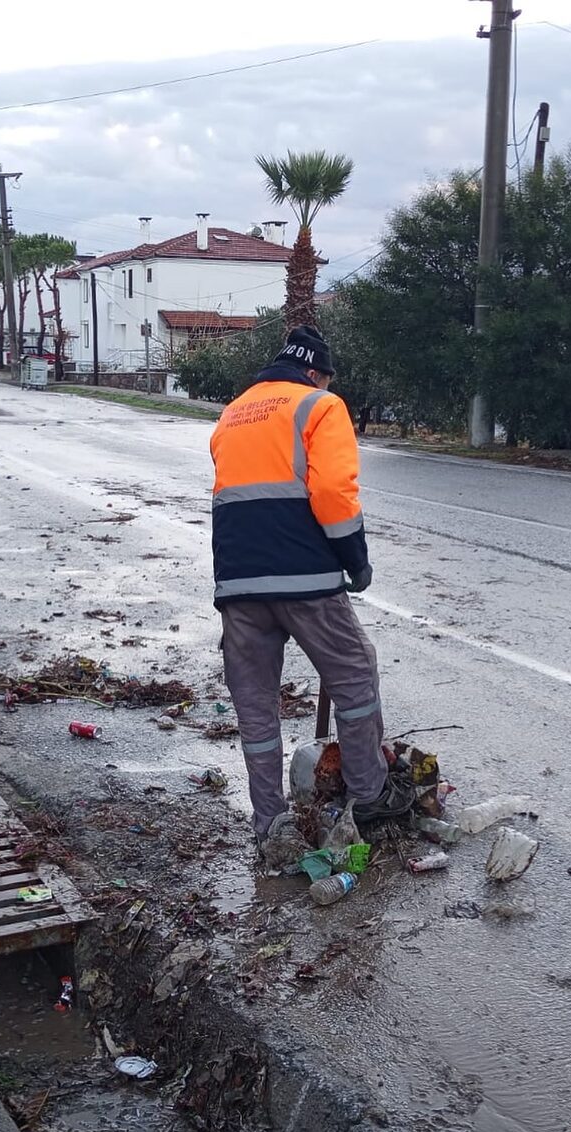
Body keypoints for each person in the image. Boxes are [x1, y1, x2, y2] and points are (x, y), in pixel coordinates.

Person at [209, 324, 406, 848]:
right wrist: (356, 562)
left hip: (238, 582)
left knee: (254, 704)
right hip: (306, 580)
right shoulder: (320, 406)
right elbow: (333, 493)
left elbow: (232, 496)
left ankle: (271, 822)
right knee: (355, 674)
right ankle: (369, 796)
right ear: (316, 372)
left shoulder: (232, 413)